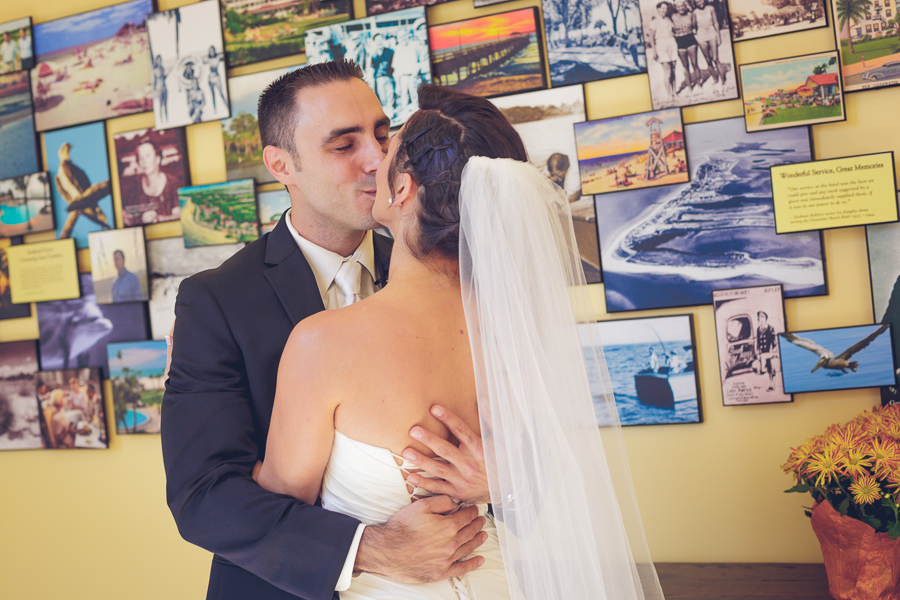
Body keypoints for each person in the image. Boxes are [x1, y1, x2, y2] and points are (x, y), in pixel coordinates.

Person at [256, 83, 664, 599]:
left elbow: (276, 503)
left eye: (387, 145)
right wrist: (502, 485)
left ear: (402, 188)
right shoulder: (515, 328)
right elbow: (544, 469)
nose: (373, 160)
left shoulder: (322, 343)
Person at [163, 61, 491, 600]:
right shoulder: (216, 301)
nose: (376, 160)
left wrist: (495, 485)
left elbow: (536, 453)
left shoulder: (446, 272)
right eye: (344, 146)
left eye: (384, 136)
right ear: (281, 164)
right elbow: (202, 496)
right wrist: (370, 548)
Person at [119, 136, 180, 225]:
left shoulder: (173, 183)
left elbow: (180, 216)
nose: (144, 161)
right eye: (140, 158)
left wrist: (159, 219)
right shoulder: (134, 188)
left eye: (148, 156)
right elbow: (129, 217)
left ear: (157, 158)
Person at [647, 2, 679, 102]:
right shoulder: (654, 21)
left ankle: (674, 92)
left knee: (673, 70)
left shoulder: (669, 19)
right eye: (663, 8)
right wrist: (654, 51)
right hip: (661, 45)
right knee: (667, 72)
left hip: (672, 43)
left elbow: (674, 30)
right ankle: (669, 94)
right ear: (658, 9)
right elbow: (651, 38)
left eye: (666, 8)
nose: (664, 10)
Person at [672, 0, 700, 96]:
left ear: (685, 6)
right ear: (676, 8)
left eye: (682, 6)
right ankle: (689, 87)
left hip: (691, 39)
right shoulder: (673, 17)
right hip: (680, 42)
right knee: (685, 66)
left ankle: (699, 85)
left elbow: (694, 26)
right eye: (679, 7)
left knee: (695, 64)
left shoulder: (691, 14)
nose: (681, 8)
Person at [693, 0, 723, 93]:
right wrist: (696, 35)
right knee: (708, 59)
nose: (699, 3)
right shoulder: (695, 12)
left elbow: (716, 23)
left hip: (711, 34)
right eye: (697, 2)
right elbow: (694, 26)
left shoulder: (711, 8)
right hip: (702, 36)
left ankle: (723, 80)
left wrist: (718, 36)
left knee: (715, 58)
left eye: (700, 0)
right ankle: (715, 79)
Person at [756, 310, 777, 391]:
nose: (760, 319)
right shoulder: (758, 329)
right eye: (759, 318)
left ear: (766, 318)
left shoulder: (770, 328)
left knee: (772, 369)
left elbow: (774, 341)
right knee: (766, 369)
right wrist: (758, 352)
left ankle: (772, 386)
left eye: (762, 317)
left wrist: (773, 351)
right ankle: (770, 385)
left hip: (769, 351)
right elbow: (758, 341)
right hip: (762, 352)